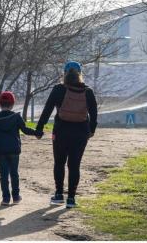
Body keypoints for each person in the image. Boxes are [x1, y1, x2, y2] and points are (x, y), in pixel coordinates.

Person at [35, 61, 98, 209]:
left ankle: (58, 195)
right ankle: (71, 198)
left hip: (61, 131)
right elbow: (94, 114)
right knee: (74, 165)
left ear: (64, 73)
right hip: (81, 133)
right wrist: (91, 130)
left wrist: (39, 129)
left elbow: (47, 109)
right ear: (80, 74)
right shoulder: (87, 91)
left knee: (59, 163)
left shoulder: (58, 89)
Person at [0, 91, 37, 206]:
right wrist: (36, 133)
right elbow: (25, 130)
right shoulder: (16, 116)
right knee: (14, 173)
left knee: (3, 175)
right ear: (12, 104)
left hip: (0, 151)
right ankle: (16, 196)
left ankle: (6, 198)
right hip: (14, 149)